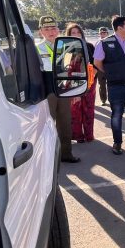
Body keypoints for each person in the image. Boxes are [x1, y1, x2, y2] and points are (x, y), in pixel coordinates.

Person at [94, 16, 125, 154]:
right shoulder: (104, 43)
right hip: (115, 87)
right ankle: (117, 143)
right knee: (116, 115)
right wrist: (111, 73)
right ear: (119, 28)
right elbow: (97, 63)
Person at [37, 15, 79, 163]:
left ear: (58, 30)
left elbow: (71, 71)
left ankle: (66, 154)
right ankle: (47, 159)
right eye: (47, 29)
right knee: (47, 125)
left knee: (65, 123)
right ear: (40, 31)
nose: (51, 32)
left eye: (53, 28)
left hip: (63, 89)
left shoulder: (66, 47)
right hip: (47, 91)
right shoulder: (37, 49)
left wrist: (74, 90)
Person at [65, 23, 96, 143]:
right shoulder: (67, 49)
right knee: (75, 110)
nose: (76, 35)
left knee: (89, 109)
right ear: (69, 35)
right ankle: (78, 136)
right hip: (73, 82)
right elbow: (65, 68)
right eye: (73, 33)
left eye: (78, 32)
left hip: (89, 83)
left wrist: (90, 81)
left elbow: (95, 65)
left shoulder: (89, 46)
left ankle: (89, 135)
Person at [95, 26, 110, 106]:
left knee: (112, 84)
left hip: (110, 66)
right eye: (101, 33)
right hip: (100, 67)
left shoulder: (111, 42)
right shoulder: (97, 43)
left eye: (104, 32)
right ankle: (103, 100)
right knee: (102, 84)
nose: (103, 34)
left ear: (107, 33)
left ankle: (113, 100)